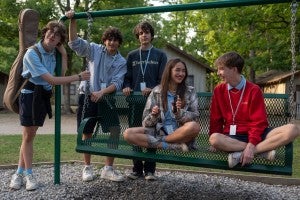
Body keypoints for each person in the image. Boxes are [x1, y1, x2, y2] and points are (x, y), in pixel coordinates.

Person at [9, 20, 90, 191]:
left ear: (60, 40)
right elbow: (52, 80)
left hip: (42, 96)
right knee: (28, 135)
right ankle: (28, 175)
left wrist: (65, 55)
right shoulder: (32, 53)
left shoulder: (53, 54)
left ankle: (19, 173)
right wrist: (80, 77)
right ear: (45, 33)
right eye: (50, 32)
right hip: (30, 95)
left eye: (57, 34)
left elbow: (60, 74)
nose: (52, 35)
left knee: (29, 136)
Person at [209, 51, 300, 168]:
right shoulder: (219, 90)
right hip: (233, 137)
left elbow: (259, 122)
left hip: (256, 134)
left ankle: (248, 152)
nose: (218, 73)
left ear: (234, 69)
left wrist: (251, 145)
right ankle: (263, 150)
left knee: (292, 129)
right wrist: (215, 142)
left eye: (221, 69)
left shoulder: (254, 90)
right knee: (214, 139)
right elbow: (216, 118)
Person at [66, 10, 127, 182]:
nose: (112, 42)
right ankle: (87, 167)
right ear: (104, 40)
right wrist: (73, 20)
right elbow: (74, 43)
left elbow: (117, 83)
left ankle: (108, 168)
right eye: (109, 39)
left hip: (106, 97)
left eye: (115, 40)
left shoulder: (121, 62)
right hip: (88, 96)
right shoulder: (94, 50)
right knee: (87, 132)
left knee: (115, 130)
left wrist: (102, 92)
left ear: (119, 43)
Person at [123, 58, 200, 170]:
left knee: (194, 126)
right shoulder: (157, 91)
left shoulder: (190, 91)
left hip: (180, 133)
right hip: (159, 131)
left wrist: (179, 113)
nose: (181, 74)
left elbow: (195, 115)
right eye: (177, 70)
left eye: (183, 71)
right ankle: (170, 146)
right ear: (169, 71)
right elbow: (145, 123)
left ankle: (164, 141)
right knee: (128, 133)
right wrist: (154, 115)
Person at [122, 21, 167, 181]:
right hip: (134, 102)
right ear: (138, 36)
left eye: (147, 32)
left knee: (151, 133)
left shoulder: (160, 55)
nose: (144, 35)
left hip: (153, 102)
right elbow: (126, 78)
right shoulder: (132, 55)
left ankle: (150, 170)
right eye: (141, 33)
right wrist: (126, 87)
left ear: (151, 35)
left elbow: (163, 80)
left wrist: (153, 88)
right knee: (134, 134)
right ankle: (136, 169)